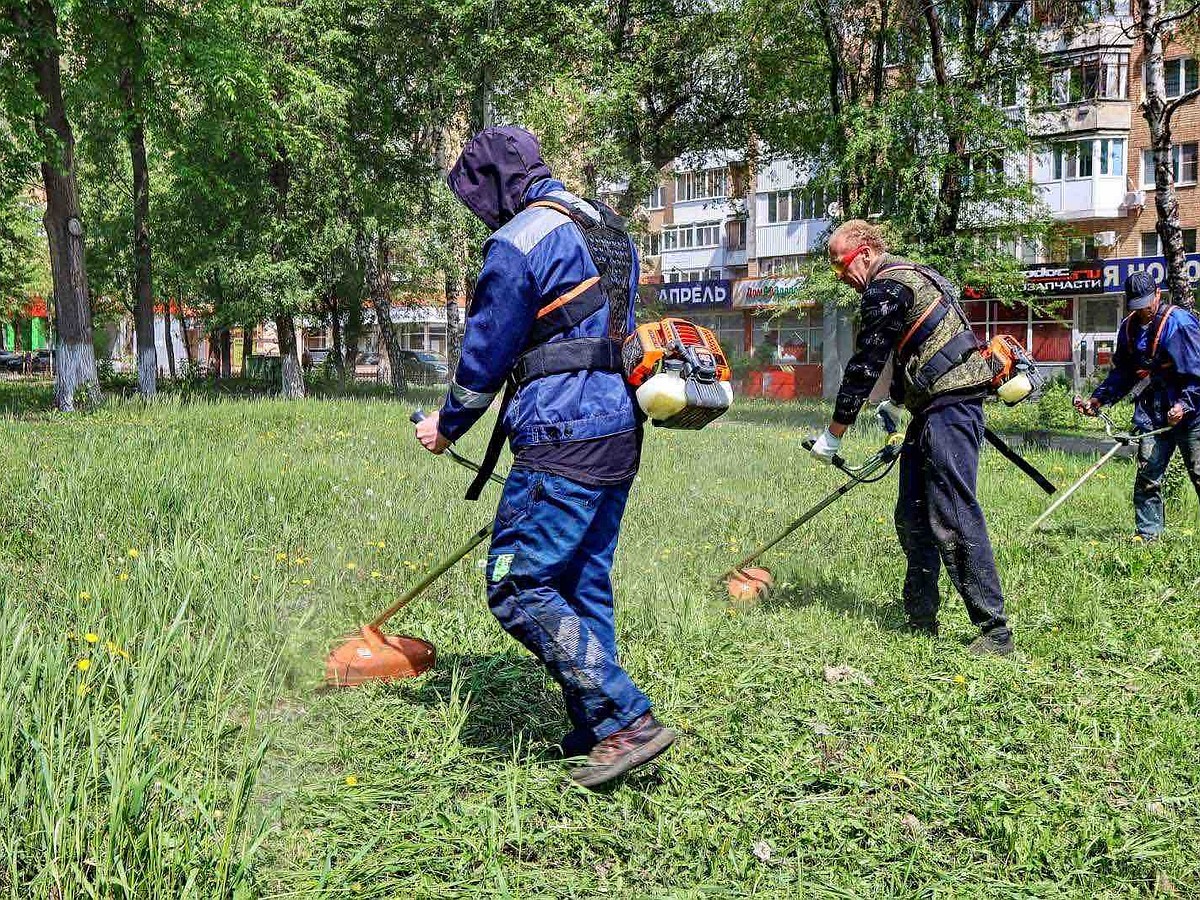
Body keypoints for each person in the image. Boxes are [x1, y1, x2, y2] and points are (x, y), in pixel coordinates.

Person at [413, 127, 674, 787]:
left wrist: (447, 425)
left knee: (518, 585)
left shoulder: (519, 241)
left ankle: (626, 719)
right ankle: (596, 732)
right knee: (582, 582)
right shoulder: (605, 225)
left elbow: (486, 355)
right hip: (620, 424)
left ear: (493, 184)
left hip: (561, 431)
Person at [808, 220, 1013, 656]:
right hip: (935, 407)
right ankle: (920, 616)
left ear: (863, 252)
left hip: (951, 406)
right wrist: (897, 402)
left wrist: (833, 435)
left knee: (951, 511)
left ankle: (994, 631)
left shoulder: (886, 287)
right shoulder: (911, 276)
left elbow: (866, 364)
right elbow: (919, 347)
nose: (839, 274)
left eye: (839, 263)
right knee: (913, 513)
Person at [1074, 271, 1200, 540]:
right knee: (1147, 475)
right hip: (1153, 415)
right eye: (1136, 306)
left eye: (1146, 303)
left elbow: (1197, 374)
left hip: (1191, 415)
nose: (1143, 311)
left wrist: (1184, 405)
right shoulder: (1129, 328)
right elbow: (1123, 373)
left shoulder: (1180, 324)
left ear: (1158, 294)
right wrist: (1100, 398)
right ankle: (1148, 536)